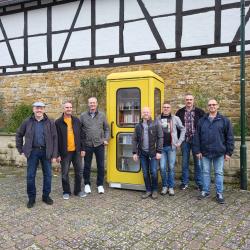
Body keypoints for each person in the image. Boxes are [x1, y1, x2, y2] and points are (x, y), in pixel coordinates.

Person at [16, 102, 58, 208]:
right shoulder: (27, 121)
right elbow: (19, 134)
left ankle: (46, 196)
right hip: (32, 152)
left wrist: (54, 154)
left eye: (41, 108)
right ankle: (31, 198)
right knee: (30, 176)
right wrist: (20, 149)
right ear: (33, 109)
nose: (39, 110)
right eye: (37, 108)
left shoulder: (50, 122)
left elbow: (55, 138)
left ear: (44, 109)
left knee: (48, 175)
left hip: (46, 152)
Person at [193, 99, 234, 204]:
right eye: (210, 105)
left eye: (214, 104)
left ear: (218, 106)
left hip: (219, 152)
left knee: (218, 173)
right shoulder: (202, 120)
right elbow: (196, 137)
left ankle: (219, 193)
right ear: (207, 107)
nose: (212, 106)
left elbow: (229, 137)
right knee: (205, 172)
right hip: (205, 152)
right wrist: (197, 150)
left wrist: (229, 152)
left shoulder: (224, 120)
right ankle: (205, 191)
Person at [55, 101, 86, 200]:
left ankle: (78, 190)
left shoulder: (77, 121)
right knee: (64, 173)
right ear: (64, 109)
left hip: (76, 151)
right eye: (67, 107)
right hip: (65, 152)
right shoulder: (58, 122)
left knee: (79, 172)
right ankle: (66, 191)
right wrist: (57, 154)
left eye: (70, 107)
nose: (69, 109)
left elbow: (82, 136)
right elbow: (56, 139)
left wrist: (82, 149)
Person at [80, 97, 110, 194]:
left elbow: (107, 128)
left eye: (94, 103)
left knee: (100, 165)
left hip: (99, 144)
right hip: (87, 144)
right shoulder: (83, 116)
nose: (92, 104)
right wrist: (82, 144)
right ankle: (87, 184)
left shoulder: (102, 115)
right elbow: (79, 130)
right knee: (87, 165)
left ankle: (100, 184)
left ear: (97, 104)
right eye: (90, 103)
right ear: (88, 104)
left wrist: (105, 139)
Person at [132, 107, 163, 199]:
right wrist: (134, 152)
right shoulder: (138, 126)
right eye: (144, 112)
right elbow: (134, 139)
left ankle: (154, 190)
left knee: (153, 172)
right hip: (143, 153)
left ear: (150, 113)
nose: (146, 113)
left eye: (147, 112)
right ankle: (148, 190)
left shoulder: (156, 123)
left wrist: (159, 151)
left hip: (153, 153)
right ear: (141, 114)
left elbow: (160, 137)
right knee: (145, 173)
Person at [176, 94, 205, 190]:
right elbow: (176, 128)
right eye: (187, 99)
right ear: (185, 101)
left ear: (193, 100)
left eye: (190, 99)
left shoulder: (200, 112)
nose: (189, 101)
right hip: (185, 141)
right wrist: (178, 140)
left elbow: (204, 127)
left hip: (196, 141)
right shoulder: (179, 112)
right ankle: (184, 182)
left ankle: (199, 183)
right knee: (184, 163)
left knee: (198, 163)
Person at [157, 102, 186, 196]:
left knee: (171, 167)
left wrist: (179, 141)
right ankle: (165, 186)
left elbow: (183, 129)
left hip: (171, 147)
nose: (166, 108)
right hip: (161, 148)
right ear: (162, 108)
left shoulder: (175, 118)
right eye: (164, 107)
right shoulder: (158, 118)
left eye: (168, 107)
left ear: (170, 109)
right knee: (162, 167)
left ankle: (171, 187)